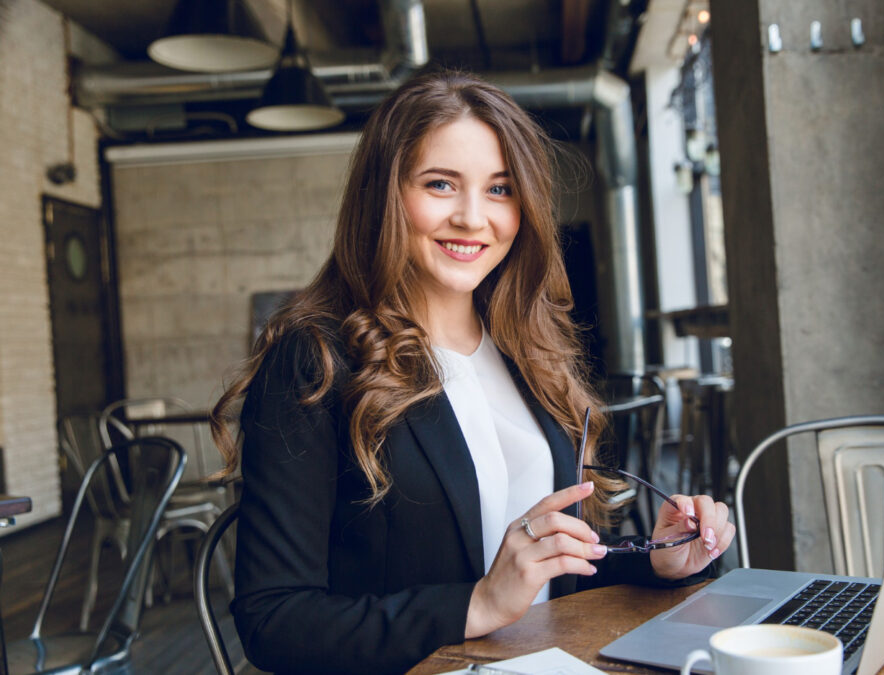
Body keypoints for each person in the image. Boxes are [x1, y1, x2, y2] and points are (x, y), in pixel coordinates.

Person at [211, 70, 736, 674]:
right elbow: (274, 621)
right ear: (384, 196)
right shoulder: (316, 360)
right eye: (440, 184)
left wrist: (658, 559)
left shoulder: (525, 349)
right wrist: (477, 605)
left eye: (499, 189)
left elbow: (543, 578)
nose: (472, 217)